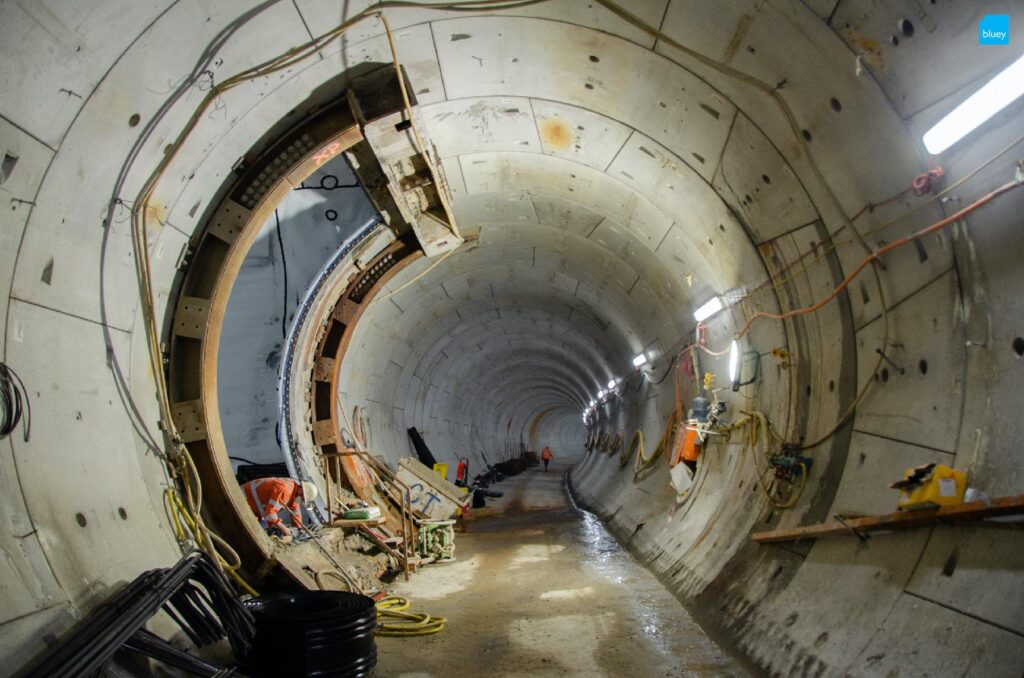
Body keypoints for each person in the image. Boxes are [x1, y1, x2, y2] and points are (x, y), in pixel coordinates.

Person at [242, 477, 318, 542]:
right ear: (301, 491)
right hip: (244, 499)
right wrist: (283, 528)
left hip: (254, 505)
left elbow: (295, 510)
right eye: (303, 499)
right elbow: (269, 513)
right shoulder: (285, 491)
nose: (302, 501)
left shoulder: (294, 490)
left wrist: (299, 528)